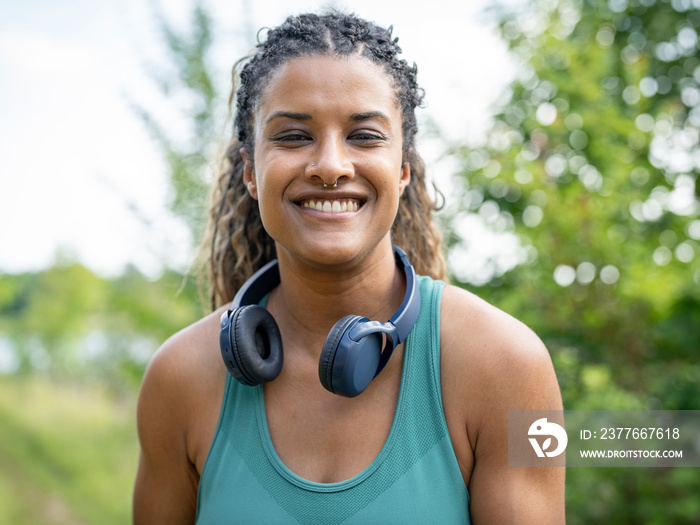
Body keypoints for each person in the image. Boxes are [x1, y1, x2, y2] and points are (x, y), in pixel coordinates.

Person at [133, 11, 565, 524]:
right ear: (251, 171)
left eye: (364, 135)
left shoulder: (509, 366)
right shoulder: (178, 377)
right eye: (293, 137)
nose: (331, 165)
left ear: (403, 169)